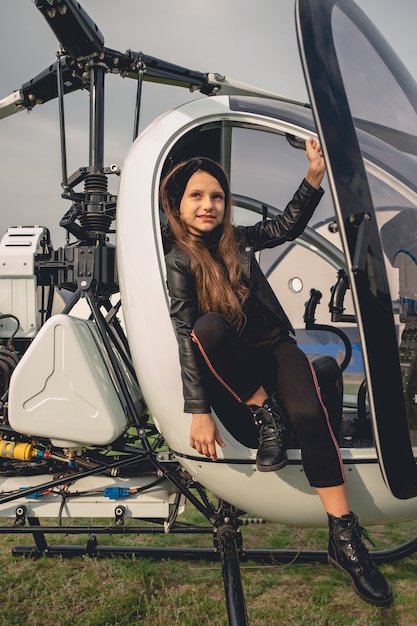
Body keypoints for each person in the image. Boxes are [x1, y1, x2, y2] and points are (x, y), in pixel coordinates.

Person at [160, 140, 393, 607]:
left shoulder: (240, 240)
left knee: (311, 416)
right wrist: (198, 410)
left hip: (275, 348)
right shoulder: (179, 262)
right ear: (178, 206)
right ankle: (265, 411)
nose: (209, 205)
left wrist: (314, 175)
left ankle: (344, 539)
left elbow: (287, 225)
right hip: (236, 376)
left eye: (217, 196)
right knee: (206, 326)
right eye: (197, 196)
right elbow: (190, 337)